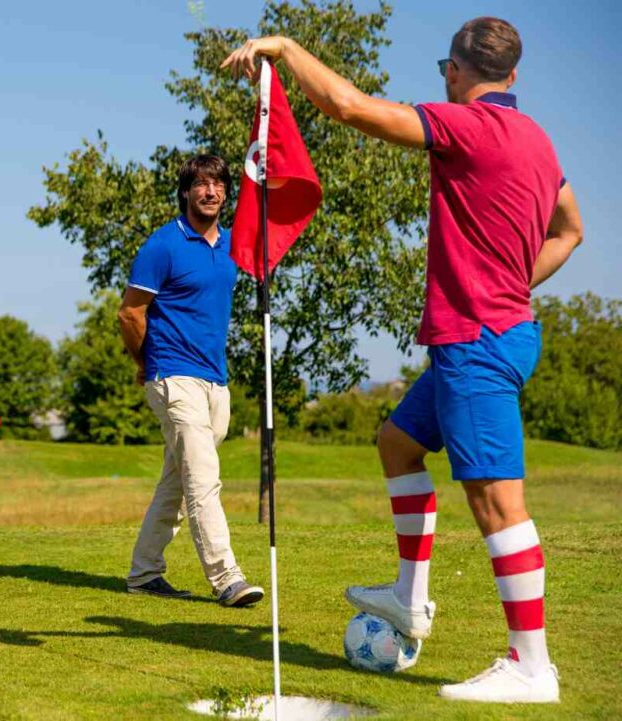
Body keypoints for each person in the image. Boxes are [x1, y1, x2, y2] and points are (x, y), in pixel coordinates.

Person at [222, 16, 584, 702]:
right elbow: (572, 229)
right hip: (490, 333)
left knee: (498, 502)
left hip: (477, 340)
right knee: (397, 443)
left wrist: (286, 48)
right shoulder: (539, 140)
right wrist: (512, 281)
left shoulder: (464, 125)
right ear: (515, 75)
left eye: (444, 71)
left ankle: (532, 666)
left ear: (455, 71)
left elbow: (349, 106)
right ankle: (408, 598)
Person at [118, 154, 265, 608]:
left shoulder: (232, 246)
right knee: (203, 479)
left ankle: (144, 573)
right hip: (172, 375)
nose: (211, 192)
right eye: (201, 184)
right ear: (186, 191)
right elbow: (129, 313)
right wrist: (146, 362)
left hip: (215, 381)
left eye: (218, 184)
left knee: (178, 482)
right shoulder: (163, 245)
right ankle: (227, 578)